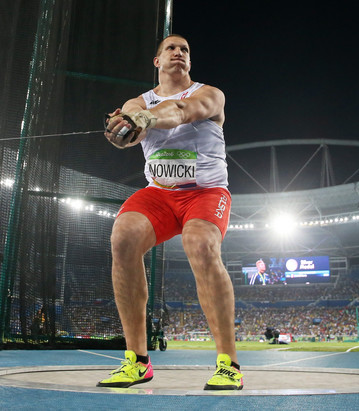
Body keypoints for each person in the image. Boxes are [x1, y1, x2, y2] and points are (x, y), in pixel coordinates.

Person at [97, 34, 242, 390]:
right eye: (171, 49)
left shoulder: (210, 94)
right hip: (159, 195)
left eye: (185, 50)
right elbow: (128, 127)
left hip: (206, 193)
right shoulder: (136, 102)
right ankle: (137, 361)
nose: (179, 53)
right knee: (123, 237)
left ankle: (228, 364)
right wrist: (121, 131)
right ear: (157, 62)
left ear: (189, 62)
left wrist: (144, 118)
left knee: (200, 244)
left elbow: (180, 111)